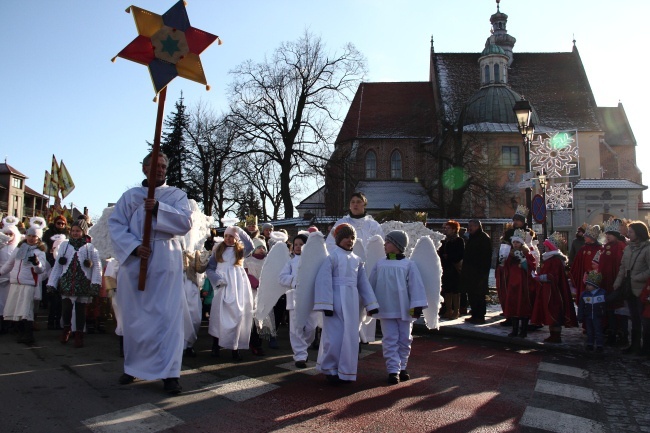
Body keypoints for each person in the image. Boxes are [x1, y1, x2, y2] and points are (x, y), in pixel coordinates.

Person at [108, 151, 192, 395]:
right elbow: (116, 225)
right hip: (136, 260)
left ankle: (170, 374)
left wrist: (158, 208)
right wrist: (134, 247)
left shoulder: (176, 195)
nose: (160, 170)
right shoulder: (130, 196)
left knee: (168, 318)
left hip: (166, 258)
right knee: (135, 318)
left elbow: (185, 223)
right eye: (155, 165)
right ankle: (134, 367)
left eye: (164, 166)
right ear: (144, 169)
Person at [314, 223, 379, 383]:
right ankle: (330, 369)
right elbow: (324, 281)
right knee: (334, 338)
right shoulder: (332, 257)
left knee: (350, 338)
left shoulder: (357, 260)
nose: (349, 240)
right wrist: (326, 304)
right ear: (338, 239)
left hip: (352, 303)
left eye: (351, 237)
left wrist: (371, 304)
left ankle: (345, 371)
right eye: (345, 237)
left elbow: (363, 283)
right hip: (335, 303)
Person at [369, 230, 427, 384]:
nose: (384, 245)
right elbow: (371, 284)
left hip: (404, 308)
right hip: (386, 308)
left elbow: (416, 286)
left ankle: (403, 367)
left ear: (396, 245)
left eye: (387, 242)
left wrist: (417, 305)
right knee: (389, 339)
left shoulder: (408, 265)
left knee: (405, 339)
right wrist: (370, 304)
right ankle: (393, 370)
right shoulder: (380, 264)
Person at [326, 192, 384, 344]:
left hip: (368, 267)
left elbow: (380, 246)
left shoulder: (373, 225)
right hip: (346, 268)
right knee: (350, 302)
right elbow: (330, 245)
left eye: (359, 201)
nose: (355, 204)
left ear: (364, 204)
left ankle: (367, 335)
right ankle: (352, 334)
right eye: (352, 202)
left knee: (367, 297)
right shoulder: (341, 224)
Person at [46, 219, 102, 348]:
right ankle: (66, 329)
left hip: (83, 283)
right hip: (67, 281)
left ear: (83, 232)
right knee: (66, 308)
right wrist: (52, 282)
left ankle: (79, 334)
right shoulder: (65, 246)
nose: (75, 233)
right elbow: (58, 266)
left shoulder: (90, 247)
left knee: (81, 310)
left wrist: (95, 283)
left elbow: (97, 267)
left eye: (78, 231)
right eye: (73, 231)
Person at [206, 225, 255, 362]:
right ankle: (215, 345)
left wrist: (239, 230)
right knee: (219, 315)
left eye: (231, 236)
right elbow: (210, 269)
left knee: (237, 315)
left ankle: (235, 347)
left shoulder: (240, 251)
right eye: (226, 236)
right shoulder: (218, 251)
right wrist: (217, 280)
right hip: (223, 287)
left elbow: (250, 245)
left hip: (238, 287)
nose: (228, 238)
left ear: (236, 238)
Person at [0, 217, 47, 345]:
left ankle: (28, 335)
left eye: (34, 236)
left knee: (26, 310)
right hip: (16, 282)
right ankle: (20, 333)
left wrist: (36, 263)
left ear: (38, 238)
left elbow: (40, 270)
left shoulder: (39, 252)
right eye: (29, 235)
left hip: (28, 284)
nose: (31, 238)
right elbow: (10, 264)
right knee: (16, 309)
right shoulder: (19, 249)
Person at [279, 233, 318, 368]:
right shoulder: (290, 262)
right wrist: (294, 281)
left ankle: (303, 347)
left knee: (311, 327)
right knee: (296, 328)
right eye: (295, 244)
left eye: (301, 244)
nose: (298, 247)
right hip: (294, 298)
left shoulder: (314, 261)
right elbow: (282, 277)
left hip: (311, 298)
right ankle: (300, 355)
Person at [531, 232, 578, 343]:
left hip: (554, 291)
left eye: (546, 246)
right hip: (549, 289)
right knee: (550, 311)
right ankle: (553, 334)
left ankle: (556, 335)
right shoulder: (550, 259)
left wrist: (540, 278)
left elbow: (553, 276)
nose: (545, 248)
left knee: (554, 311)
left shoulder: (555, 260)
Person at [613, 221, 650, 355]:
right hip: (629, 288)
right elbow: (623, 267)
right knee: (634, 318)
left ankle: (646, 348)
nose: (628, 234)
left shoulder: (647, 248)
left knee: (644, 320)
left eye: (631, 232)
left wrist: (637, 277)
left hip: (643, 290)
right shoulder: (628, 248)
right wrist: (617, 282)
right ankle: (634, 345)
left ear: (639, 233)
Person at [502, 228, 537, 338]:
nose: (516, 244)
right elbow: (506, 267)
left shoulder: (527, 253)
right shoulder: (511, 254)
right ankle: (515, 329)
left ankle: (523, 331)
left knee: (523, 306)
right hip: (513, 284)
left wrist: (523, 262)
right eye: (514, 242)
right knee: (513, 306)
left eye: (517, 242)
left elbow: (532, 267)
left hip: (523, 284)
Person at [599, 218, 627, 345]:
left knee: (619, 310)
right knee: (609, 309)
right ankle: (611, 333)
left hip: (617, 283)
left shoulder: (621, 246)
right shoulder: (605, 247)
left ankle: (622, 335)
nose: (607, 236)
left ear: (615, 235)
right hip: (606, 283)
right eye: (606, 234)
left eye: (610, 234)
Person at [460, 220, 493, 324]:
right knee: (471, 294)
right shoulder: (471, 238)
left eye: (472, 226)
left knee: (479, 294)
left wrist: (481, 270)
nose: (469, 228)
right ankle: (474, 314)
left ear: (477, 226)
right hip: (470, 271)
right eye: (468, 226)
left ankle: (480, 315)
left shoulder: (483, 238)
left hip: (479, 272)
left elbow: (485, 256)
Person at [43, 215, 69, 330]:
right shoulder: (49, 233)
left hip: (64, 264)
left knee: (61, 298)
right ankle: (50, 321)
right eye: (58, 223)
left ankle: (58, 321)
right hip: (51, 262)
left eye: (62, 223)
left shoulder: (67, 234)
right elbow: (45, 246)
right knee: (53, 298)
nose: (60, 225)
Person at [438, 220, 464, 320]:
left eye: (448, 228)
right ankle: (449, 310)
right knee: (447, 290)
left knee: (455, 290)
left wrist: (449, 256)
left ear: (454, 230)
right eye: (445, 228)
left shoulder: (459, 240)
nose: (445, 230)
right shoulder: (444, 241)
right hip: (446, 267)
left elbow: (460, 254)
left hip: (454, 268)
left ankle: (456, 310)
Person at [570, 224, 603, 304]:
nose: (584, 237)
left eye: (586, 236)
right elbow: (577, 263)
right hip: (583, 278)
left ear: (591, 238)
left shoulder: (600, 248)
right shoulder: (583, 248)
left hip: (596, 279)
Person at [0, 218, 21, 334]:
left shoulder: (17, 248)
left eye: (11, 234)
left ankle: (10, 324)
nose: (8, 236)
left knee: (11, 301)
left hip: (12, 278)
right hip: (1, 277)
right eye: (6, 233)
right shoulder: (1, 246)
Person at [577, 270, 606, 352]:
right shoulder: (584, 294)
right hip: (588, 316)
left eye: (589, 285)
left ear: (595, 285)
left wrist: (603, 313)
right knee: (589, 331)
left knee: (598, 331)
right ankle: (590, 344)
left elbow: (605, 305)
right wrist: (580, 316)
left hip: (598, 316)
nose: (587, 286)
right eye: (587, 284)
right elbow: (581, 306)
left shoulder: (602, 293)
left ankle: (599, 345)